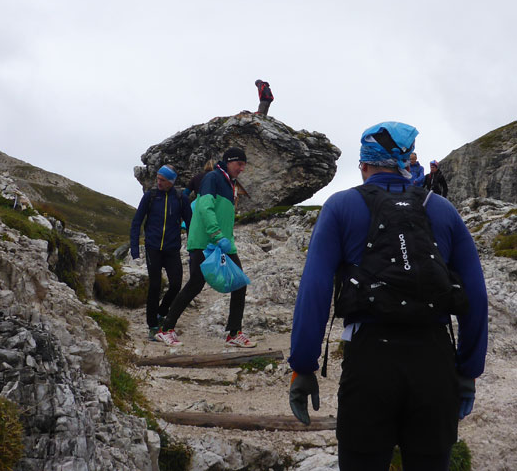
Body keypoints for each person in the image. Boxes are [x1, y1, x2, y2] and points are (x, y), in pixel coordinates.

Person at [287, 122, 488, 470]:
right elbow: (476, 296)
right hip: (434, 360)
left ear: (364, 165)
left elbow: (314, 290)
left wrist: (303, 366)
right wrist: (468, 370)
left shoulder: (340, 207)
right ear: (407, 162)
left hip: (370, 360)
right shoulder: (443, 210)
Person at [156, 147, 256, 348]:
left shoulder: (230, 183)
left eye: (244, 165)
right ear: (229, 161)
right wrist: (217, 235)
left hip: (222, 244)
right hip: (205, 242)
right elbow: (204, 207)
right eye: (239, 164)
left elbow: (224, 215)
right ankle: (165, 329)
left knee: (239, 282)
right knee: (196, 284)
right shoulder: (213, 178)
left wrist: (227, 241)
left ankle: (234, 333)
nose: (242, 169)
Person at [130, 165, 192, 340]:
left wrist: (193, 248)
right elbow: (137, 222)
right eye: (158, 178)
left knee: (176, 285)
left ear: (171, 181)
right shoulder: (150, 196)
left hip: (172, 249)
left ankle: (161, 313)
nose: (158, 182)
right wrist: (135, 250)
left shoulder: (181, 198)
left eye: (162, 180)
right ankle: (152, 326)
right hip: (153, 248)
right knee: (155, 286)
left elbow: (190, 223)